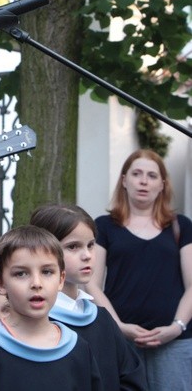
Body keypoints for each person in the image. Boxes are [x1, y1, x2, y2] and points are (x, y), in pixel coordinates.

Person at [85, 149, 192, 390]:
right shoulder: (104, 226)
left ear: (162, 185)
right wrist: (119, 327)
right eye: (137, 174)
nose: (144, 181)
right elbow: (91, 283)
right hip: (121, 341)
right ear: (124, 180)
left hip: (174, 343)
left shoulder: (181, 226)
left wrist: (176, 328)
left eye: (152, 176)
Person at [0, 225, 102, 391]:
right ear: (0, 284)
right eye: (21, 274)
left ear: (61, 279)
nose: (36, 283)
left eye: (47, 272)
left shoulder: (78, 348)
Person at [31, 203, 147, 390]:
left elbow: (131, 378)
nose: (87, 255)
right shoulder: (35, 321)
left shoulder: (101, 319)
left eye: (91, 245)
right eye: (73, 246)